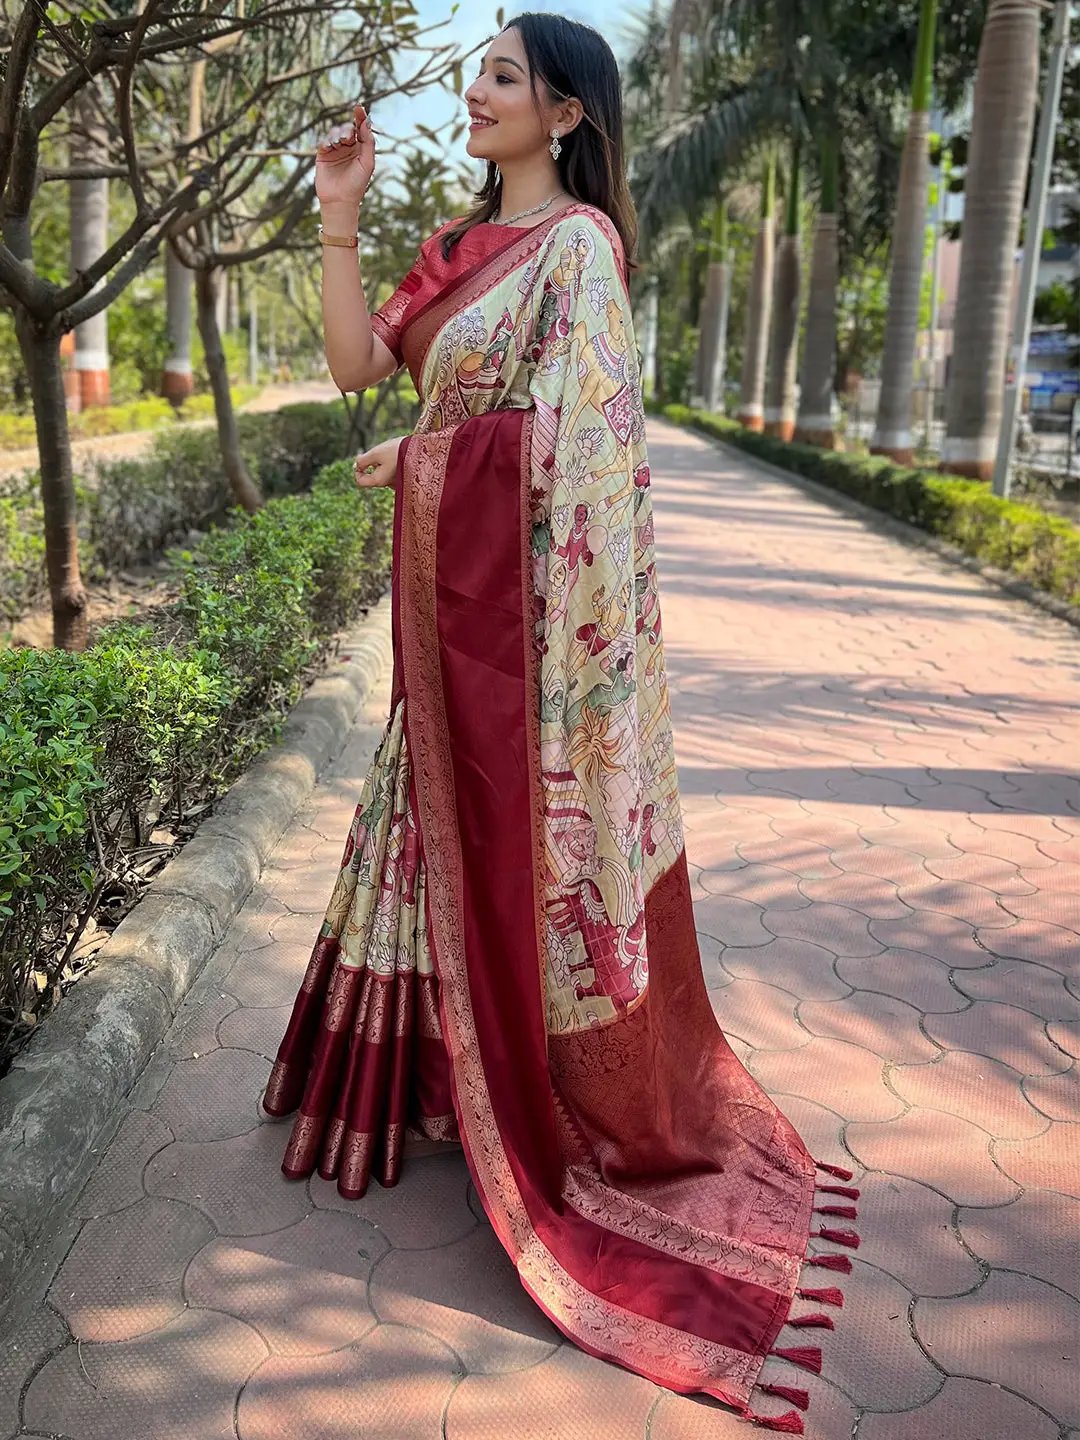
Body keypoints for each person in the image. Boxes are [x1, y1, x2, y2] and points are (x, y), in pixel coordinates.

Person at [262, 14, 858, 1433]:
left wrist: (425, 459)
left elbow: (580, 455)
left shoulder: (580, 251)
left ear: (573, 115)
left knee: (485, 829)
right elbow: (358, 364)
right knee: (424, 817)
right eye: (474, 72)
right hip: (449, 618)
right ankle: (413, 1082)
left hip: (520, 637)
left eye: (504, 77)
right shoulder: (461, 254)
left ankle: (499, 1102)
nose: (475, 93)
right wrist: (340, 215)